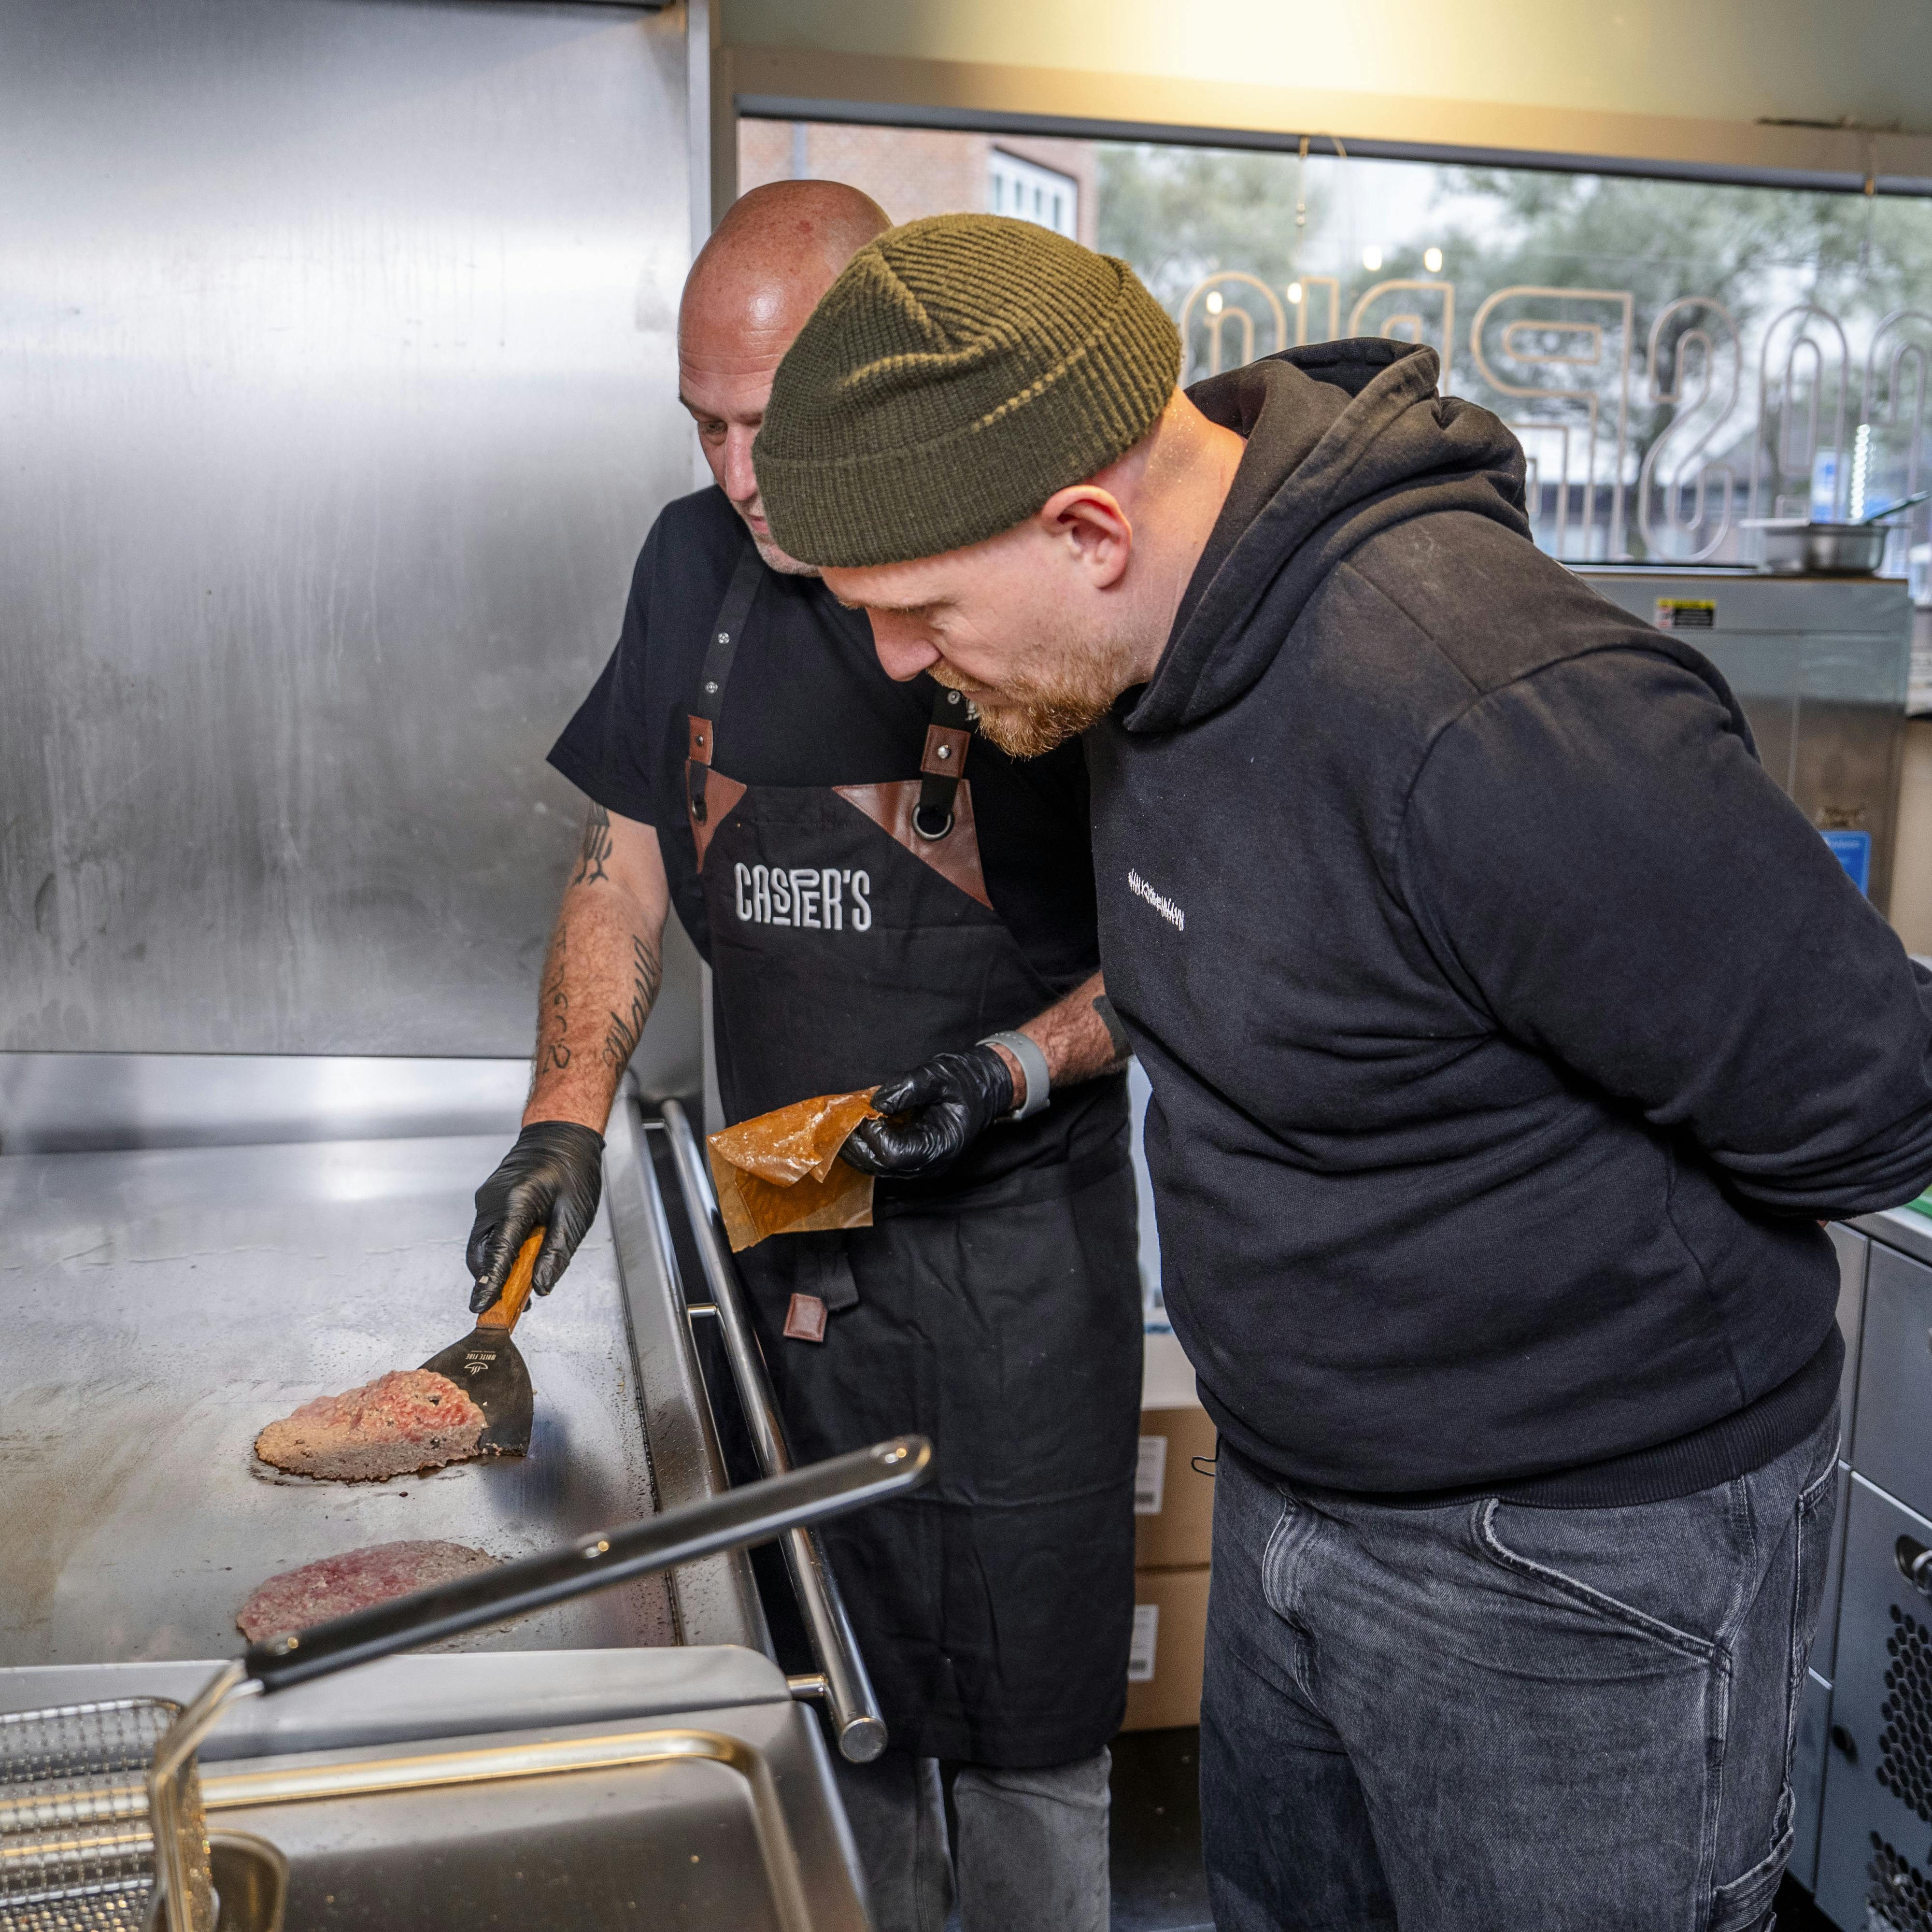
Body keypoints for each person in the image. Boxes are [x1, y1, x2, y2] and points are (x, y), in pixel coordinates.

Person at [750, 213, 1932, 1931]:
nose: (902, 666)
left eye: (921, 612)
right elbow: (1290, 976)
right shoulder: (1138, 655)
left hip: (1570, 1569)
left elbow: (1871, 1093)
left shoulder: (1486, 708)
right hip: (1301, 1500)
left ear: (1089, 529)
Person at [462, 184, 1143, 1932]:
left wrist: (1000, 1072)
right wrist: (563, 1123)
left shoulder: (1028, 572)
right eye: (705, 425)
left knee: (1021, 1745)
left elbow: (1179, 956)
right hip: (780, 1261)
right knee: (815, 1704)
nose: (741, 472)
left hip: (1008, 1284)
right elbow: (619, 871)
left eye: (770, 425)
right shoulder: (690, 562)